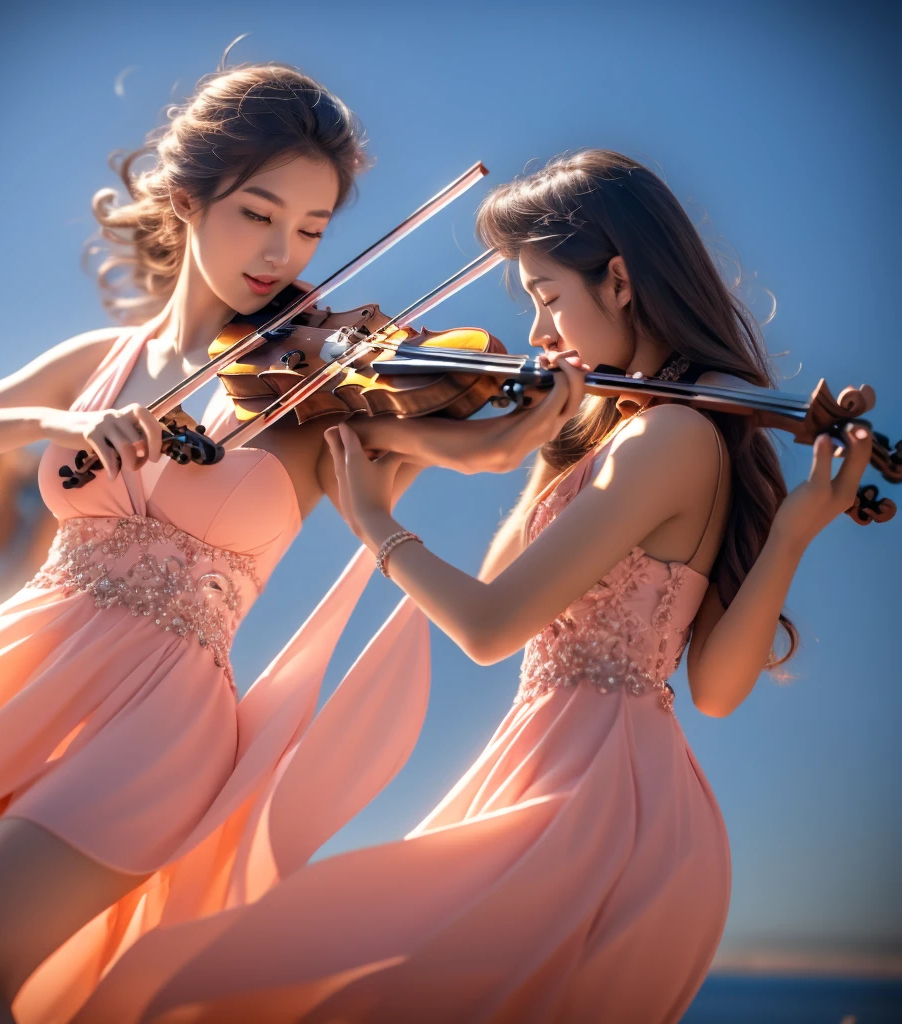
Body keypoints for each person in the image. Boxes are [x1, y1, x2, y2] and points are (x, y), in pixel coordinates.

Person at [69, 150, 874, 1024]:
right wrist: (541, 447)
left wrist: (374, 519)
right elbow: (694, 686)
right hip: (595, 778)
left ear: (618, 280)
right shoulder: (647, 435)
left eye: (546, 294)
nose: (537, 331)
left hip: (590, 795)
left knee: (258, 981)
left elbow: (490, 627)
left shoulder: (667, 439)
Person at [0, 60, 435, 1024]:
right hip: (32, 671)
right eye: (259, 214)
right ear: (188, 201)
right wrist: (53, 425)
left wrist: (516, 409)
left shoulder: (309, 388)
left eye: (310, 228)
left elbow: (462, 444)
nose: (283, 252)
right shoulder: (106, 362)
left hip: (159, 720)